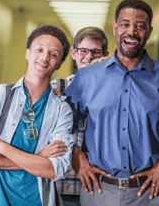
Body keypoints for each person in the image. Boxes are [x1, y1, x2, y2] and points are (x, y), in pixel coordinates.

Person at [64, 0, 159, 206]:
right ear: (115, 28)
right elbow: (57, 125)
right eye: (125, 24)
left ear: (149, 31)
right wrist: (75, 155)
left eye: (140, 26)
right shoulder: (87, 78)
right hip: (97, 192)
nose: (132, 32)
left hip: (149, 194)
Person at [0, 25, 74, 206]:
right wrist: (38, 157)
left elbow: (55, 170)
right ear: (28, 53)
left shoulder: (62, 110)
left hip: (37, 200)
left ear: (60, 63)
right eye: (39, 49)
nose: (45, 57)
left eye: (53, 54)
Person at [53, 27, 109, 206]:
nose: (89, 57)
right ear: (73, 53)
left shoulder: (114, 89)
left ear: (105, 54)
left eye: (95, 52)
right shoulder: (57, 86)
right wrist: (84, 78)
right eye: (83, 51)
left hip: (102, 184)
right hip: (65, 183)